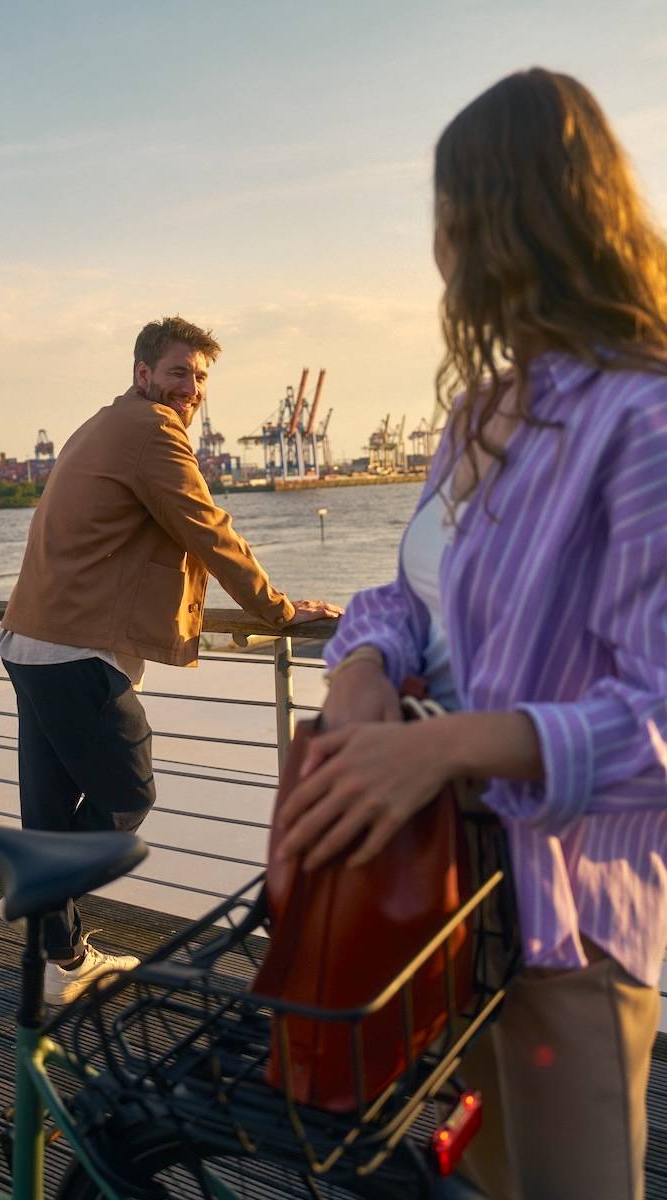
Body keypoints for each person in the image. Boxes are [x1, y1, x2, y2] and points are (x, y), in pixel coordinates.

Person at [276, 69, 666, 1200]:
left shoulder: (642, 419)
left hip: (562, 926)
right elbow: (411, 595)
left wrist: (445, 744)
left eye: (447, 215)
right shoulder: (477, 412)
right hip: (446, 906)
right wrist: (360, 666)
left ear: (501, 220)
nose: (437, 249)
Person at [0, 315, 340, 1005]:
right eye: (180, 373)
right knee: (128, 790)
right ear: (143, 373)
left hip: (32, 641)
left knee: (52, 813)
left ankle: (62, 949)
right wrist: (278, 611)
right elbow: (209, 529)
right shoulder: (150, 431)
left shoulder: (104, 423)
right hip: (72, 648)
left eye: (201, 377)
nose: (191, 389)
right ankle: (41, 894)